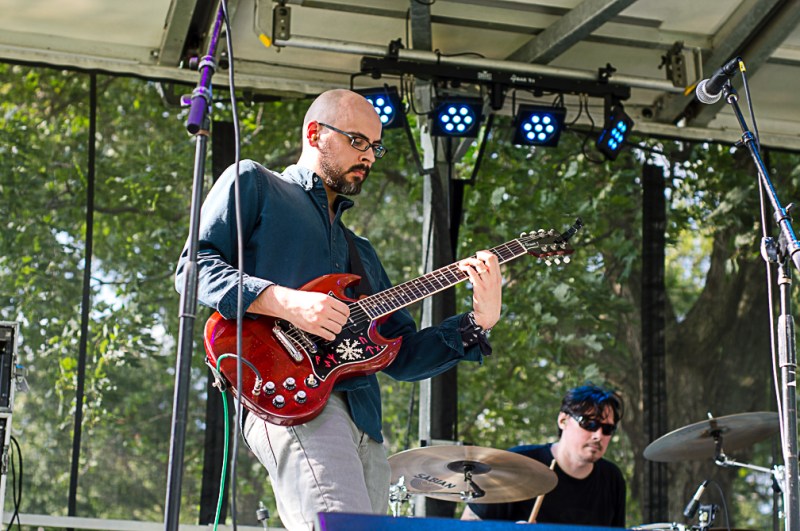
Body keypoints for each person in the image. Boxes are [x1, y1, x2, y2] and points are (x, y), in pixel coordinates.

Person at [175, 88, 503, 530]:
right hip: (294, 398)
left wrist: (477, 321)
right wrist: (287, 302)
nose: (369, 157)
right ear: (315, 133)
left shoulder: (361, 253)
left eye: (376, 147)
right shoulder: (255, 182)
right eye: (358, 141)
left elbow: (403, 357)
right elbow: (194, 268)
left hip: (365, 421)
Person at [461, 384, 626, 527]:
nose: (598, 435)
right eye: (589, 423)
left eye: (607, 429)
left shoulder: (612, 478)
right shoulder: (515, 463)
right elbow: (468, 526)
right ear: (563, 420)